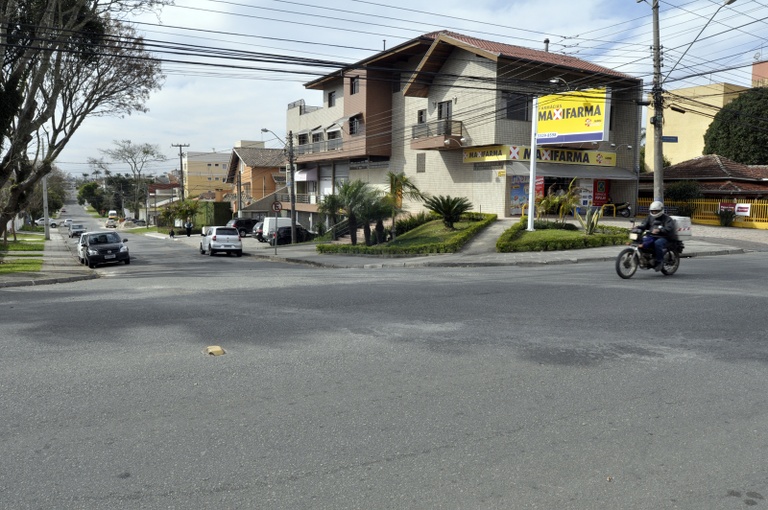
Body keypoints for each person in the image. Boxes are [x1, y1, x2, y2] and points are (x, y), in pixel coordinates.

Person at [636, 201, 677, 271]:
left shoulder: (667, 219)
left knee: (658, 243)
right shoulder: (650, 217)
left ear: (661, 210)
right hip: (652, 236)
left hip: (665, 237)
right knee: (643, 241)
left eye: (656, 211)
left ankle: (659, 261)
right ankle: (646, 257)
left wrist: (659, 230)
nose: (654, 212)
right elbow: (644, 225)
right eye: (653, 211)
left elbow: (669, 228)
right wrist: (637, 227)